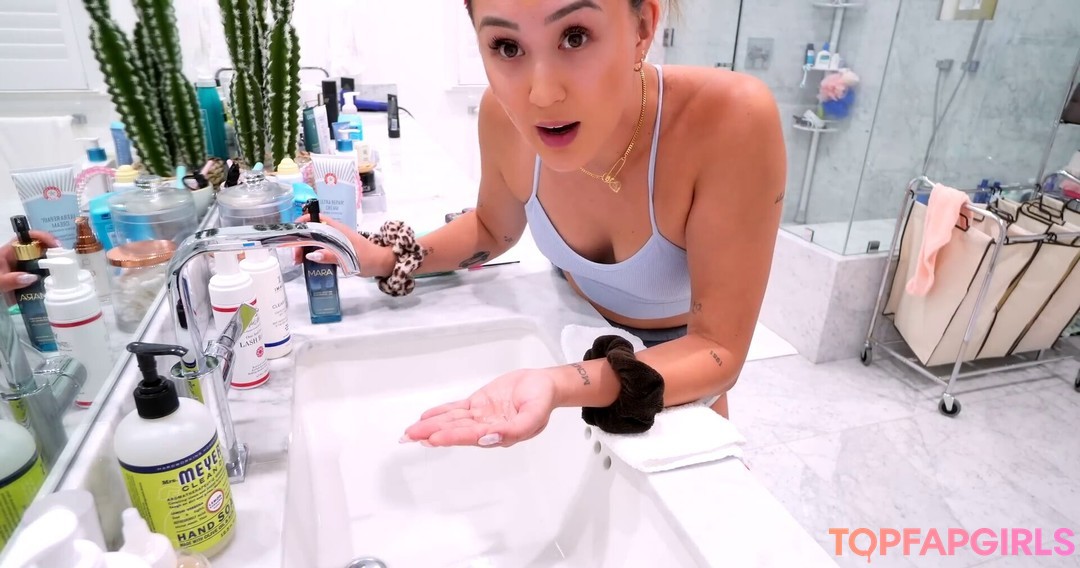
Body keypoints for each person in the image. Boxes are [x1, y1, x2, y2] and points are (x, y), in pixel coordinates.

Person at [304, 0, 786, 448]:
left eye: (575, 37)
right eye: (506, 47)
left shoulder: (729, 119)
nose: (541, 94)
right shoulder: (502, 117)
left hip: (675, 376)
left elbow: (718, 350)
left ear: (642, 28)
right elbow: (492, 228)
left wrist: (560, 383)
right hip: (572, 327)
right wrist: (387, 258)